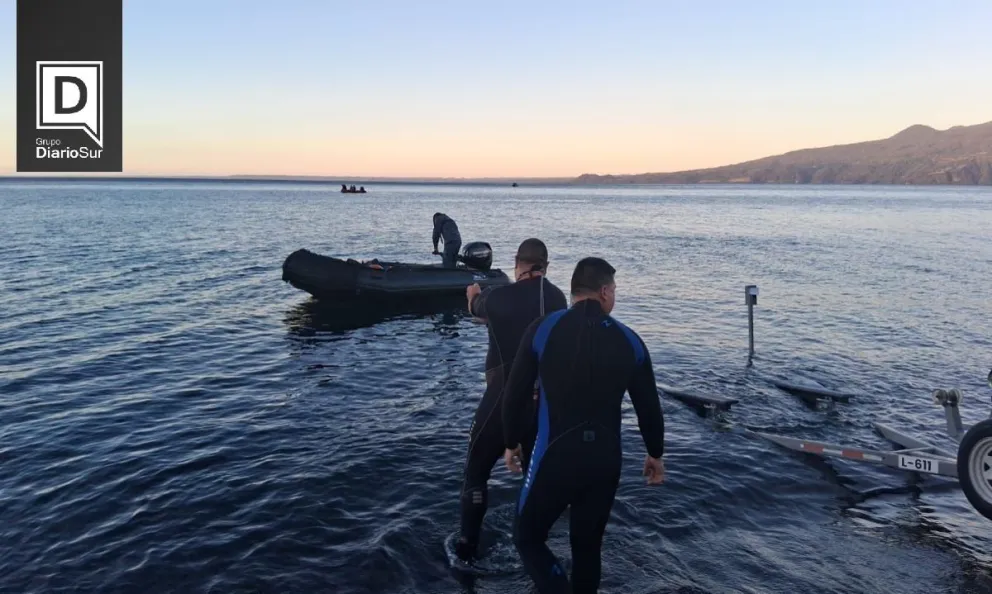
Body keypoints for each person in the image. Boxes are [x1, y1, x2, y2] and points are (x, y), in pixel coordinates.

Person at [501, 256, 666, 594]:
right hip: (605, 460)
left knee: (527, 537)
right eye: (614, 290)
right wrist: (655, 453)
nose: (614, 296)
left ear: (575, 290)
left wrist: (511, 441)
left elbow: (514, 395)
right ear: (604, 291)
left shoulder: (542, 329)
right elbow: (649, 407)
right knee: (587, 547)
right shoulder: (630, 341)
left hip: (555, 455)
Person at [454, 238, 568, 562]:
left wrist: (474, 295)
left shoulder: (498, 297)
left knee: (476, 473)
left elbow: (476, 308)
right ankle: (531, 550)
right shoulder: (559, 299)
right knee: (533, 479)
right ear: (546, 265)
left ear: (517, 263)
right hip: (541, 406)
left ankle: (466, 551)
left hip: (502, 399)